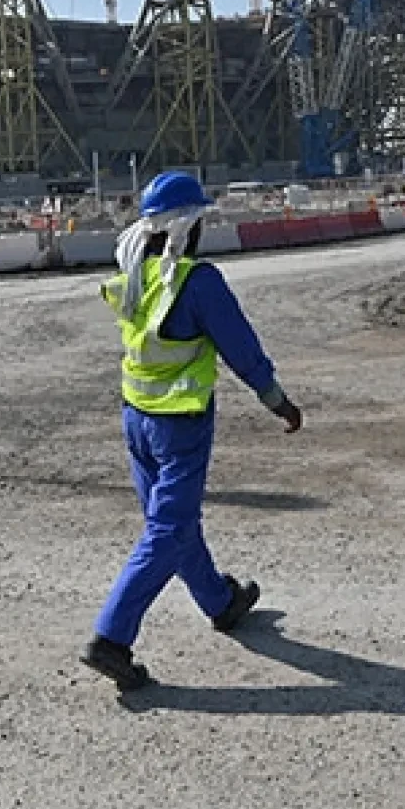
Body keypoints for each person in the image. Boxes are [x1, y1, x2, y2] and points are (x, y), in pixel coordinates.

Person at [81, 171, 303, 690]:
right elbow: (242, 350)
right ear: (187, 226)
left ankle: (221, 602)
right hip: (179, 422)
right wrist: (278, 402)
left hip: (135, 416)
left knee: (173, 522)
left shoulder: (136, 273)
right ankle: (111, 639)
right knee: (168, 529)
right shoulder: (197, 281)